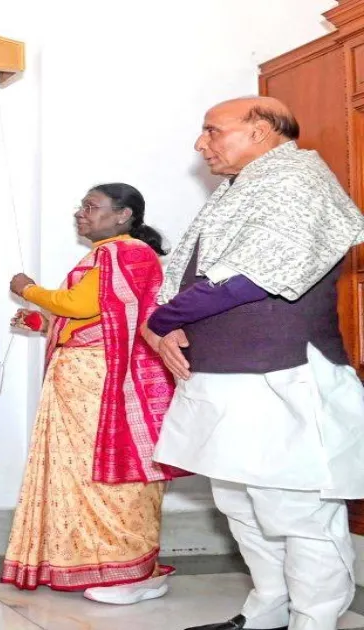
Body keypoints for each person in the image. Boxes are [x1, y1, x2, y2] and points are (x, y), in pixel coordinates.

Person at [144, 97, 364, 630]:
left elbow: (251, 278)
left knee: (297, 511)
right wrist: (167, 320)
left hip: (281, 371)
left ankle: (315, 622)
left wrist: (158, 318)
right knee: (238, 502)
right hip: (224, 375)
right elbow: (200, 275)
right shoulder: (243, 188)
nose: (202, 144)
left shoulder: (297, 181)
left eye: (213, 130)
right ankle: (268, 610)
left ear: (261, 130)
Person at [3, 183, 184, 605]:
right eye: (81, 206)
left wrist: (28, 288)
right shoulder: (108, 255)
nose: (80, 213)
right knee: (80, 472)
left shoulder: (125, 252)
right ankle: (98, 563)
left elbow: (79, 305)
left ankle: (132, 570)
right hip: (85, 379)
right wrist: (41, 323)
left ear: (123, 215)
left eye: (91, 206)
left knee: (112, 469)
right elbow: (92, 318)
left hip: (105, 380)